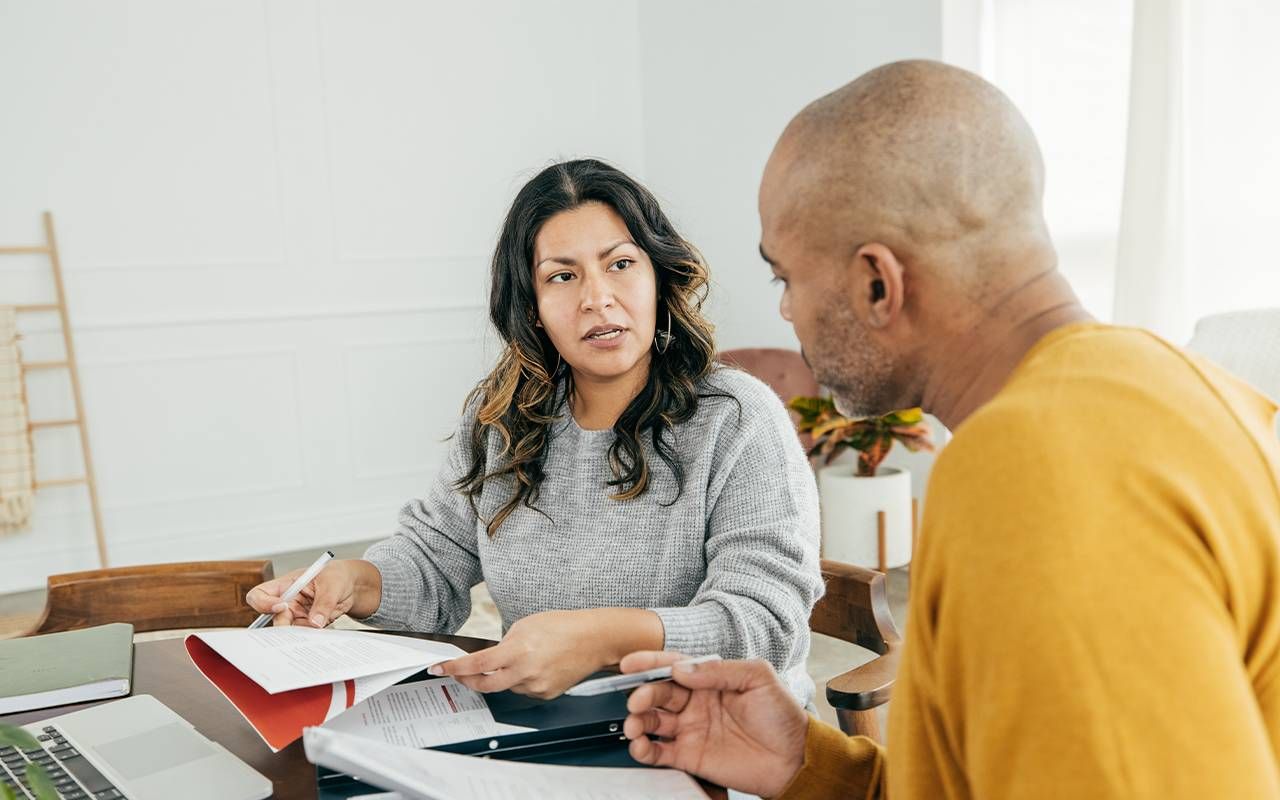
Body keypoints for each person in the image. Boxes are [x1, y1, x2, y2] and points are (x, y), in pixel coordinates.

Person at [619, 60, 1280, 798]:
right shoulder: (1176, 389)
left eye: (786, 278)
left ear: (878, 283)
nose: (786, 314)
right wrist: (812, 766)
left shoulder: (1042, 470)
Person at [246, 159, 823, 702]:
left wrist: (601, 639)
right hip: (546, 727)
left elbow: (768, 626)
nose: (597, 298)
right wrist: (353, 580)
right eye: (562, 276)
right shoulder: (503, 418)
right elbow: (434, 559)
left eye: (620, 264)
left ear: (658, 276)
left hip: (721, 738)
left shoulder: (737, 416)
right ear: (533, 305)